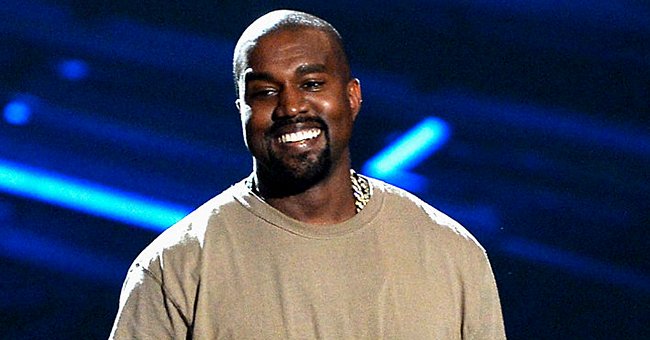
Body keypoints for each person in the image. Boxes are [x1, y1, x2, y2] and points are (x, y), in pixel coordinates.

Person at [110, 9, 506, 339]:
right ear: (242, 111)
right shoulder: (176, 267)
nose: (291, 106)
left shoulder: (451, 254)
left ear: (352, 97)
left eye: (312, 83)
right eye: (265, 91)